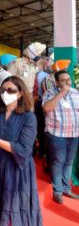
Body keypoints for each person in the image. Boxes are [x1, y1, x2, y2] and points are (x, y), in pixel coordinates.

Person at [0, 76, 42, 226]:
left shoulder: (29, 117)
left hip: (17, 168)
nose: (6, 93)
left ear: (20, 94)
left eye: (11, 90)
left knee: (16, 207)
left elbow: (24, 150)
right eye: (3, 90)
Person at [42, 70, 79, 204]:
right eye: (63, 80)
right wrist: (62, 93)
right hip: (56, 133)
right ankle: (57, 191)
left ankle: (66, 189)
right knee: (58, 161)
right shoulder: (49, 93)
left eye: (68, 79)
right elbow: (46, 108)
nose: (66, 82)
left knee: (69, 162)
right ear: (57, 82)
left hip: (74, 133)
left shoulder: (76, 93)